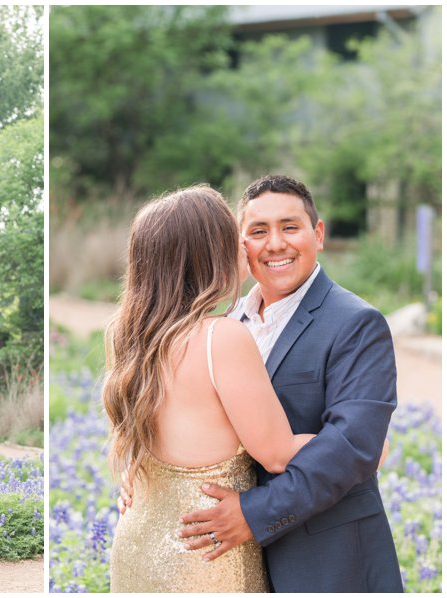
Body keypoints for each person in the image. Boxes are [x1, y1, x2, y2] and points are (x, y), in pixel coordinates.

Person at [122, 175, 402, 592]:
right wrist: (144, 474)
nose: (275, 244)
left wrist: (254, 513)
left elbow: (352, 444)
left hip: (327, 559)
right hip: (222, 559)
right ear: (237, 244)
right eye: (257, 231)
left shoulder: (357, 323)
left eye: (290, 227)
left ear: (318, 234)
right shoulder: (221, 328)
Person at [103, 185, 317, 592]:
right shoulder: (222, 336)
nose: (243, 245)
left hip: (137, 542)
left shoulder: (129, 337)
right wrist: (357, 443)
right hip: (202, 555)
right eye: (232, 236)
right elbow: (276, 453)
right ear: (209, 254)